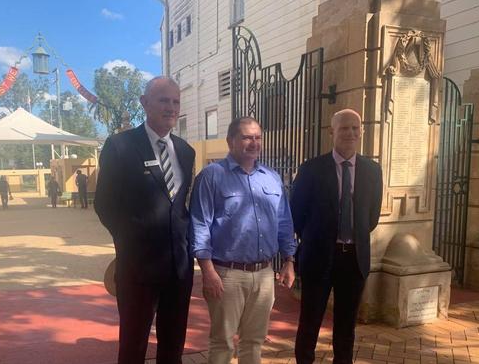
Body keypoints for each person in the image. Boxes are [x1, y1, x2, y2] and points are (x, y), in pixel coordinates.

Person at [94, 76, 196, 364]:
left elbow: (180, 206)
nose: (171, 107)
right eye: (164, 100)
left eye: (175, 101)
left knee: (173, 345)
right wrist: (131, 241)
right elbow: (104, 204)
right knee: (133, 346)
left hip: (179, 269)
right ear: (145, 103)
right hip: (137, 269)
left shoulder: (186, 152)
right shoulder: (120, 146)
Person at [190, 117, 297, 364]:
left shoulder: (271, 178)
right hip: (226, 274)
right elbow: (200, 225)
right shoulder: (211, 176)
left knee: (254, 340)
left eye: (257, 137)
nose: (254, 143)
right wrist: (207, 271)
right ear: (231, 141)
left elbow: (284, 222)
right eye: (247, 137)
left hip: (264, 273)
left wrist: (289, 260)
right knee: (222, 341)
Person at [290, 109, 383, 364]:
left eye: (355, 128)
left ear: (361, 131)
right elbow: (296, 213)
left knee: (346, 327)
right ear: (332, 132)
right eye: (344, 128)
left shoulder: (373, 171)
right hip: (319, 258)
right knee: (310, 323)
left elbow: (371, 218)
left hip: (354, 260)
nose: (350, 133)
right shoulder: (311, 169)